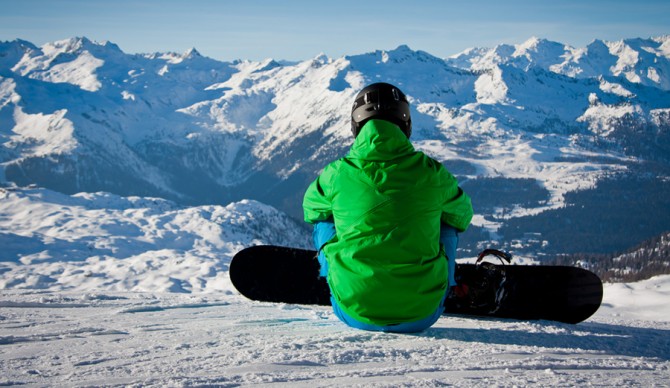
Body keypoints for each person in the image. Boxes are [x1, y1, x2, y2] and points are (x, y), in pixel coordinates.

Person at [302, 82, 473, 333]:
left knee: (325, 220)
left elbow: (311, 211)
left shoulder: (335, 174)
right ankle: (447, 281)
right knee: (445, 221)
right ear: (406, 125)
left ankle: (333, 274)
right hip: (423, 313)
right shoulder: (432, 173)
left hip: (354, 312)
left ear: (356, 126)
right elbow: (462, 217)